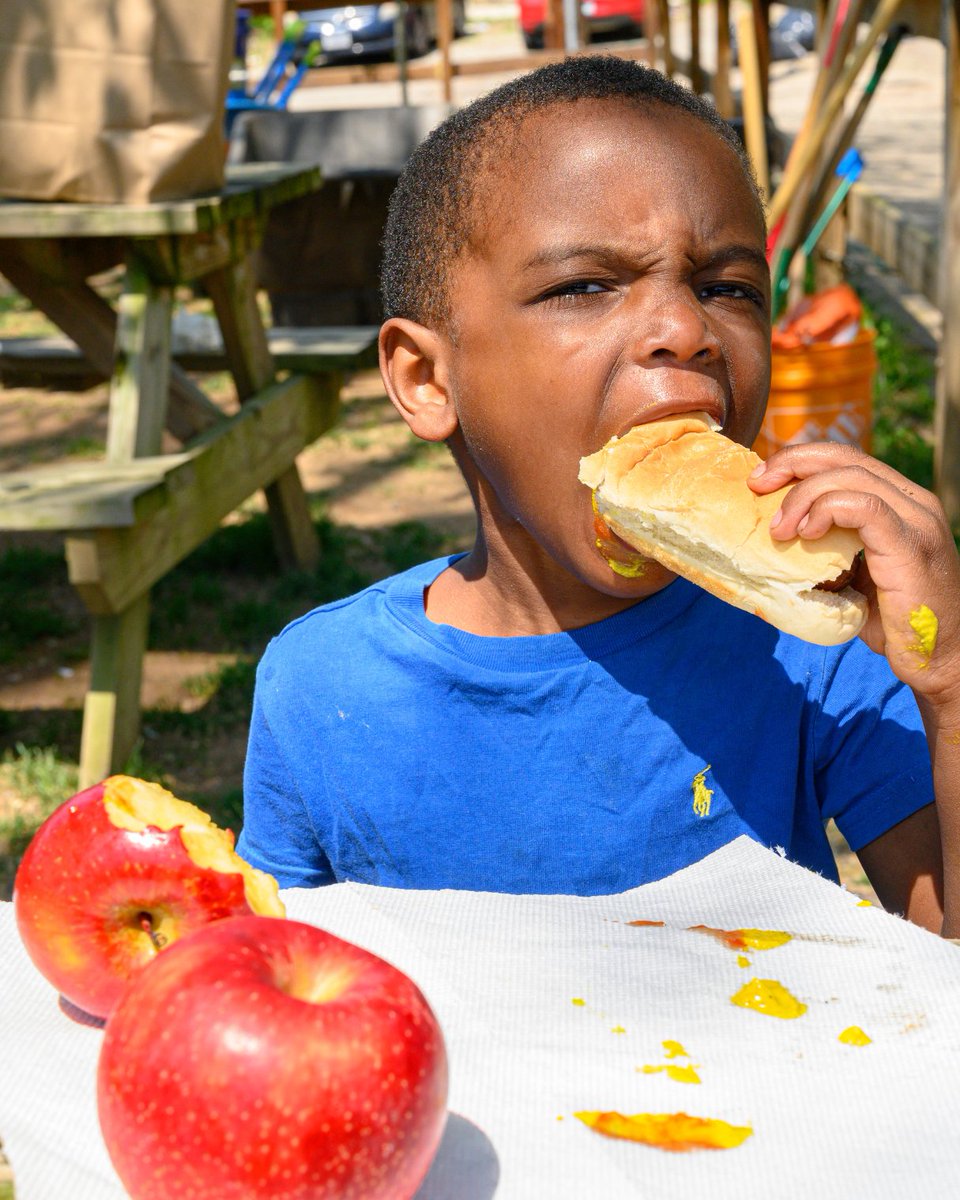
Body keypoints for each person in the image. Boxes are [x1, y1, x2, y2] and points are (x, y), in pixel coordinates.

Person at [237, 55, 960, 937]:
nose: (685, 331)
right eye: (583, 285)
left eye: (728, 288)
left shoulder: (814, 644)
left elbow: (942, 964)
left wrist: (949, 683)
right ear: (428, 378)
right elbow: (268, 972)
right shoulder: (322, 687)